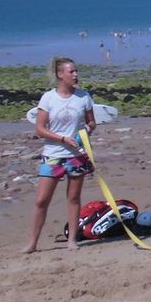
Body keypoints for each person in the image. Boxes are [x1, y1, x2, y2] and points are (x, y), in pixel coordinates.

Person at [23, 57, 97, 253]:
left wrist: (85, 134)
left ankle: (72, 240)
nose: (76, 75)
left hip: (77, 156)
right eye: (71, 72)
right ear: (60, 74)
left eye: (76, 71)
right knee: (41, 200)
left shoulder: (83, 97)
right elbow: (40, 129)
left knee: (73, 198)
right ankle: (32, 243)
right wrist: (63, 139)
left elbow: (91, 123)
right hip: (53, 155)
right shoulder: (48, 98)